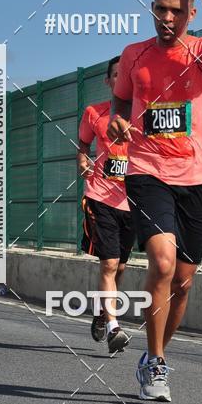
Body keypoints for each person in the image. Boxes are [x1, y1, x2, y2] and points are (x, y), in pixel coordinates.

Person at [108, 0, 202, 401]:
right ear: (151, 8)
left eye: (176, 11)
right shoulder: (134, 55)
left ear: (191, 14)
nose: (167, 18)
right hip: (147, 170)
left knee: (182, 282)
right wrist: (117, 119)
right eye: (160, 9)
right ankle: (156, 363)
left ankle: (153, 352)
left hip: (195, 177)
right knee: (162, 263)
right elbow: (122, 100)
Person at [77, 56, 135, 354]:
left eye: (127, 74)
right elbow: (83, 145)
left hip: (134, 202)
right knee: (109, 263)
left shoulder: (145, 115)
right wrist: (82, 160)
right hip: (100, 197)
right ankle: (113, 327)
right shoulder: (94, 113)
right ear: (109, 81)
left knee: (121, 266)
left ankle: (102, 312)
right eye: (116, 74)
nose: (121, 79)